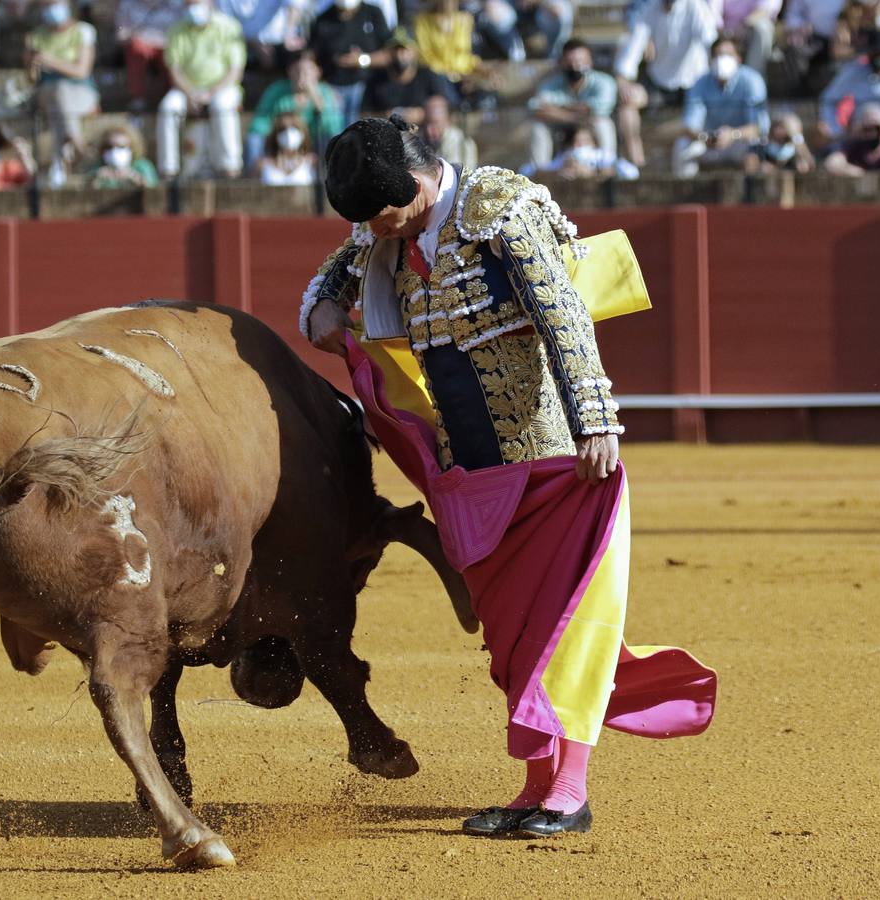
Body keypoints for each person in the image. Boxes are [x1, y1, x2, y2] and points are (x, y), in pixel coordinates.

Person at [299, 115, 717, 840]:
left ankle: (569, 791)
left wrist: (595, 423)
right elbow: (324, 288)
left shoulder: (501, 209)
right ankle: (534, 786)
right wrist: (322, 310)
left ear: (424, 180)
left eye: (389, 216)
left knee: (567, 628)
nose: (380, 233)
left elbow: (564, 317)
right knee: (514, 639)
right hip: (474, 475)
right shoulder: (382, 228)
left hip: (555, 459)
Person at [614, 0, 719, 165]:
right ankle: (637, 166)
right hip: (658, 82)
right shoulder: (649, 9)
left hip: (694, 84)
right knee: (627, 104)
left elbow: (710, 39)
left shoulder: (695, 6)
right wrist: (623, 81)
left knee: (691, 138)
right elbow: (633, 48)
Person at [156, 0, 246, 180]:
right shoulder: (176, 29)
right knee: (168, 108)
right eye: (189, 3)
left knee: (223, 107)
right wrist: (190, 94)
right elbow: (174, 70)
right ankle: (168, 170)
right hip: (187, 90)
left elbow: (235, 71)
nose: (193, 8)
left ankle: (230, 168)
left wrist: (210, 94)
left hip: (223, 88)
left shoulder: (229, 27)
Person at [673, 36, 769, 177]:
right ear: (711, 60)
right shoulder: (700, 83)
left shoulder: (752, 81)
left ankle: (751, 194)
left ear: (739, 59)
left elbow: (759, 128)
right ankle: (686, 194)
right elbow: (690, 125)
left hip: (739, 142)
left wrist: (733, 134)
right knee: (682, 145)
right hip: (708, 143)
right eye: (718, 55)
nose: (722, 60)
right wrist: (705, 137)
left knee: (755, 146)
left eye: (728, 55)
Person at [27, 0, 99, 183]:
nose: (50, 8)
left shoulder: (84, 31)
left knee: (61, 96)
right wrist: (31, 63)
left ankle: (59, 162)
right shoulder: (36, 36)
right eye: (46, 4)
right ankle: (76, 143)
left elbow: (82, 71)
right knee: (58, 94)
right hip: (47, 92)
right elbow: (32, 80)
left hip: (80, 91)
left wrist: (50, 62)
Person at [246, 49, 345, 171]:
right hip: (279, 144)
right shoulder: (276, 91)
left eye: (307, 72)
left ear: (317, 72)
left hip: (314, 145)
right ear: (289, 72)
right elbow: (260, 124)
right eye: (297, 71)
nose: (301, 77)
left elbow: (333, 127)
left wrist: (316, 100)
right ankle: (252, 175)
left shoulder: (326, 93)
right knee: (253, 138)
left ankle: (330, 172)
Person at [816, 28, 880, 144]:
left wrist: (877, 117)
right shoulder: (854, 71)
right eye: (874, 54)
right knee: (834, 162)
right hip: (859, 135)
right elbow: (828, 100)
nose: (878, 59)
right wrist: (836, 130)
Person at [530, 38, 617, 171]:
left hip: (590, 126)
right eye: (570, 62)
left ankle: (607, 170)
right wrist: (577, 114)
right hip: (562, 126)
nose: (576, 67)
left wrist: (558, 108)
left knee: (603, 123)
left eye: (581, 61)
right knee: (538, 126)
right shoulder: (551, 84)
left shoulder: (604, 82)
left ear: (590, 62)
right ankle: (541, 174)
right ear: (562, 63)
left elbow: (601, 109)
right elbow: (535, 107)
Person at [311, 0, 393, 125]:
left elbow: (389, 54)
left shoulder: (373, 13)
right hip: (332, 88)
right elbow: (314, 57)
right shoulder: (323, 18)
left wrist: (362, 59)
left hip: (366, 87)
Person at [362, 29, 456, 122]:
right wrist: (385, 117)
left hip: (424, 132)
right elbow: (363, 115)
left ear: (415, 52)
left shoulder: (428, 76)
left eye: (404, 50)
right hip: (387, 133)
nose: (399, 55)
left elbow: (444, 109)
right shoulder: (376, 79)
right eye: (395, 50)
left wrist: (422, 115)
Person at [115, 0, 190, 110]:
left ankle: (172, 91)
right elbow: (120, 33)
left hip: (169, 46)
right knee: (136, 49)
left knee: (172, 55)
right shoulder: (127, 4)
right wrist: (131, 35)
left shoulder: (176, 4)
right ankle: (138, 96)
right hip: (141, 45)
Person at [823, 102, 880, 175]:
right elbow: (831, 164)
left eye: (877, 128)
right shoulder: (856, 146)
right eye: (867, 128)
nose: (872, 133)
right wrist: (861, 173)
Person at [780, 0, 845, 93]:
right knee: (794, 50)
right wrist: (801, 26)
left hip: (845, 38)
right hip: (813, 38)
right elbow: (792, 15)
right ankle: (799, 97)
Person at [541, 123, 640, 180]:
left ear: (593, 142)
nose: (579, 145)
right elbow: (537, 170)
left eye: (584, 141)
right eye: (576, 141)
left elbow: (631, 172)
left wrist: (594, 172)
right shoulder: (564, 157)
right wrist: (559, 172)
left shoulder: (602, 156)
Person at [716, 0, 780, 77]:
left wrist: (742, 27)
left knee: (762, 28)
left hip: (749, 31)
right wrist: (723, 31)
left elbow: (763, 11)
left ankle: (754, 78)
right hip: (723, 32)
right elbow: (714, 10)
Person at [87, 124, 161, 187]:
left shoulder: (143, 166)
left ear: (132, 148)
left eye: (121, 147)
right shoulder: (96, 168)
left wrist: (137, 179)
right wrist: (94, 181)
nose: (114, 151)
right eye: (109, 147)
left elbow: (155, 190)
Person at [257, 113, 319, 185]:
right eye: (283, 129)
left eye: (294, 128)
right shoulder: (263, 164)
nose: (288, 133)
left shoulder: (312, 162)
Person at [745, 112, 815, 173]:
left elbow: (810, 163)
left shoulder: (795, 146)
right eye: (778, 126)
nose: (779, 131)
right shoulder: (762, 144)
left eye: (782, 127)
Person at [421, 93, 477, 167]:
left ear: (448, 121)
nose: (429, 131)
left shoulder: (457, 141)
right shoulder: (423, 139)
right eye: (426, 124)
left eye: (435, 124)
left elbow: (454, 175)